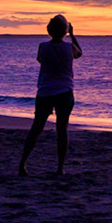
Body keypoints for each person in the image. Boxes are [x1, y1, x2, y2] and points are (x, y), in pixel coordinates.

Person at [19, 14, 81, 176]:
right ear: (65, 31)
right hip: (64, 91)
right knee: (62, 129)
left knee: (36, 128)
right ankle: (60, 167)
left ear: (49, 30)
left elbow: (40, 60)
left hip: (45, 91)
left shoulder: (43, 47)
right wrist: (72, 35)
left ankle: (23, 164)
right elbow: (79, 53)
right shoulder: (69, 48)